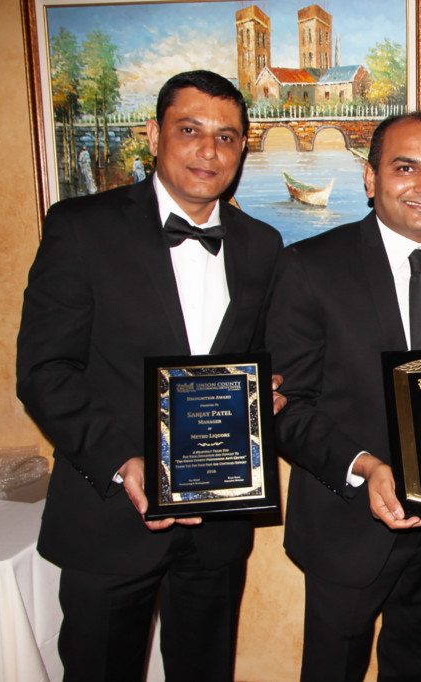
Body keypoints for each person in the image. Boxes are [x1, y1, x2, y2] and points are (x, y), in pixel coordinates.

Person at [17, 70, 284, 681]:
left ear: (243, 147)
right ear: (152, 133)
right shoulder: (80, 227)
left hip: (218, 521)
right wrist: (122, 461)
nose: (208, 151)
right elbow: (44, 370)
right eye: (189, 130)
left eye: (227, 136)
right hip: (109, 517)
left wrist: (274, 393)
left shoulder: (263, 244)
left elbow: (266, 357)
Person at [266, 111, 421, 681]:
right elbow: (285, 408)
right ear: (370, 179)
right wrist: (366, 467)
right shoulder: (309, 266)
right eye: (406, 168)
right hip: (348, 528)